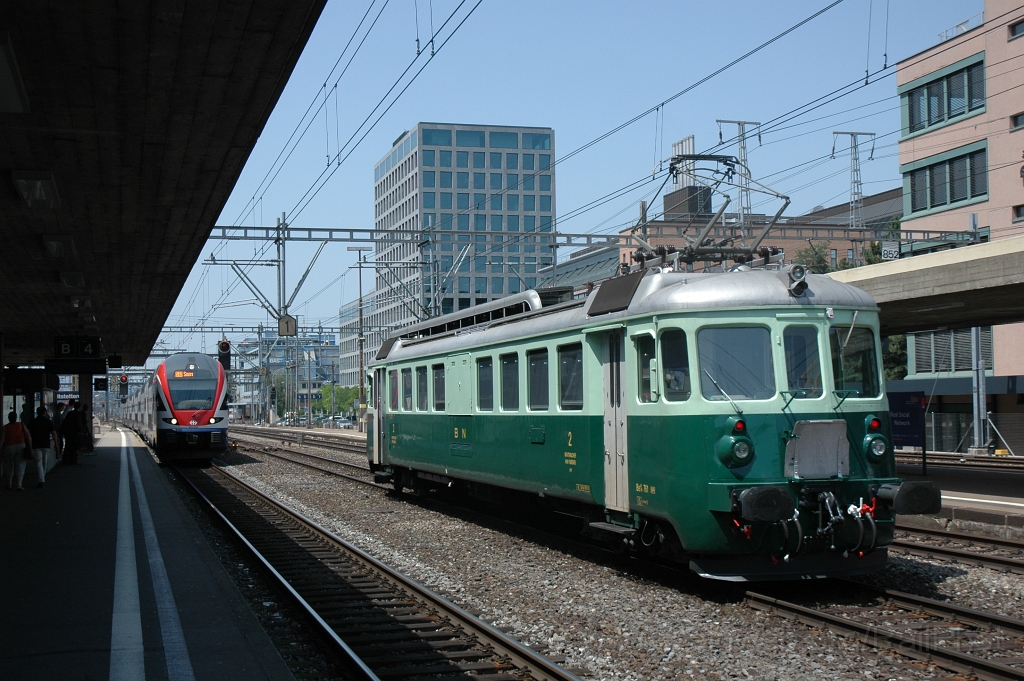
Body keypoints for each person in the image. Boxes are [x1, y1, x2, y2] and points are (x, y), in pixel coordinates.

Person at [27, 406, 59, 488]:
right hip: (46, 444)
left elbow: (28, 434)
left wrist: (29, 445)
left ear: (37, 413)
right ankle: (42, 478)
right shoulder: (48, 422)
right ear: (45, 413)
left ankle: (41, 479)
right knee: (45, 462)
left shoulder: (32, 422)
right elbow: (54, 433)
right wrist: (56, 443)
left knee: (38, 462)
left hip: (36, 444)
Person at [1, 411, 33, 490]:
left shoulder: (5, 427)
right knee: (20, 465)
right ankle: (19, 485)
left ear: (9, 418)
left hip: (8, 447)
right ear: (16, 417)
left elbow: (1, 440)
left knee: (9, 465)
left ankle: (9, 484)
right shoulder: (21, 425)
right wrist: (30, 446)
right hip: (21, 446)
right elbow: (28, 435)